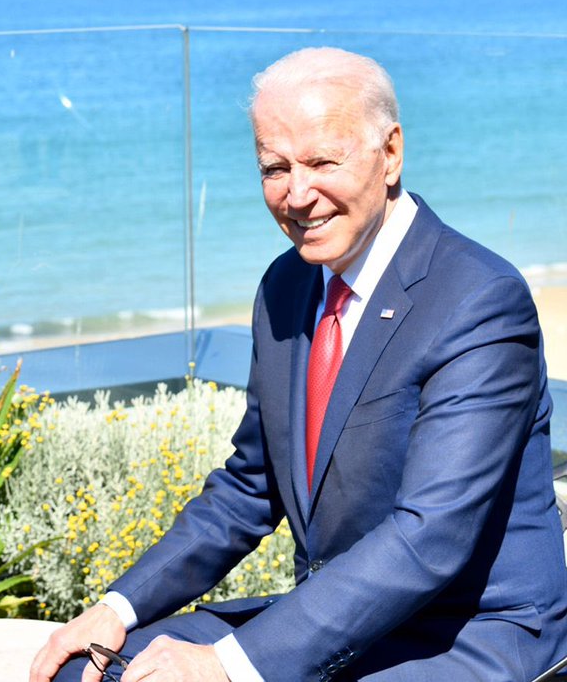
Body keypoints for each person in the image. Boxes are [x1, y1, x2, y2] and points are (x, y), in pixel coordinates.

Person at [30, 47, 567, 681]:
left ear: (390, 153)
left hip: (470, 631)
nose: (297, 194)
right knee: (89, 668)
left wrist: (227, 664)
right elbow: (249, 487)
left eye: (321, 162)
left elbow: (430, 538)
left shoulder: (478, 300)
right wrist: (115, 608)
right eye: (274, 168)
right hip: (344, 620)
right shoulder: (287, 286)